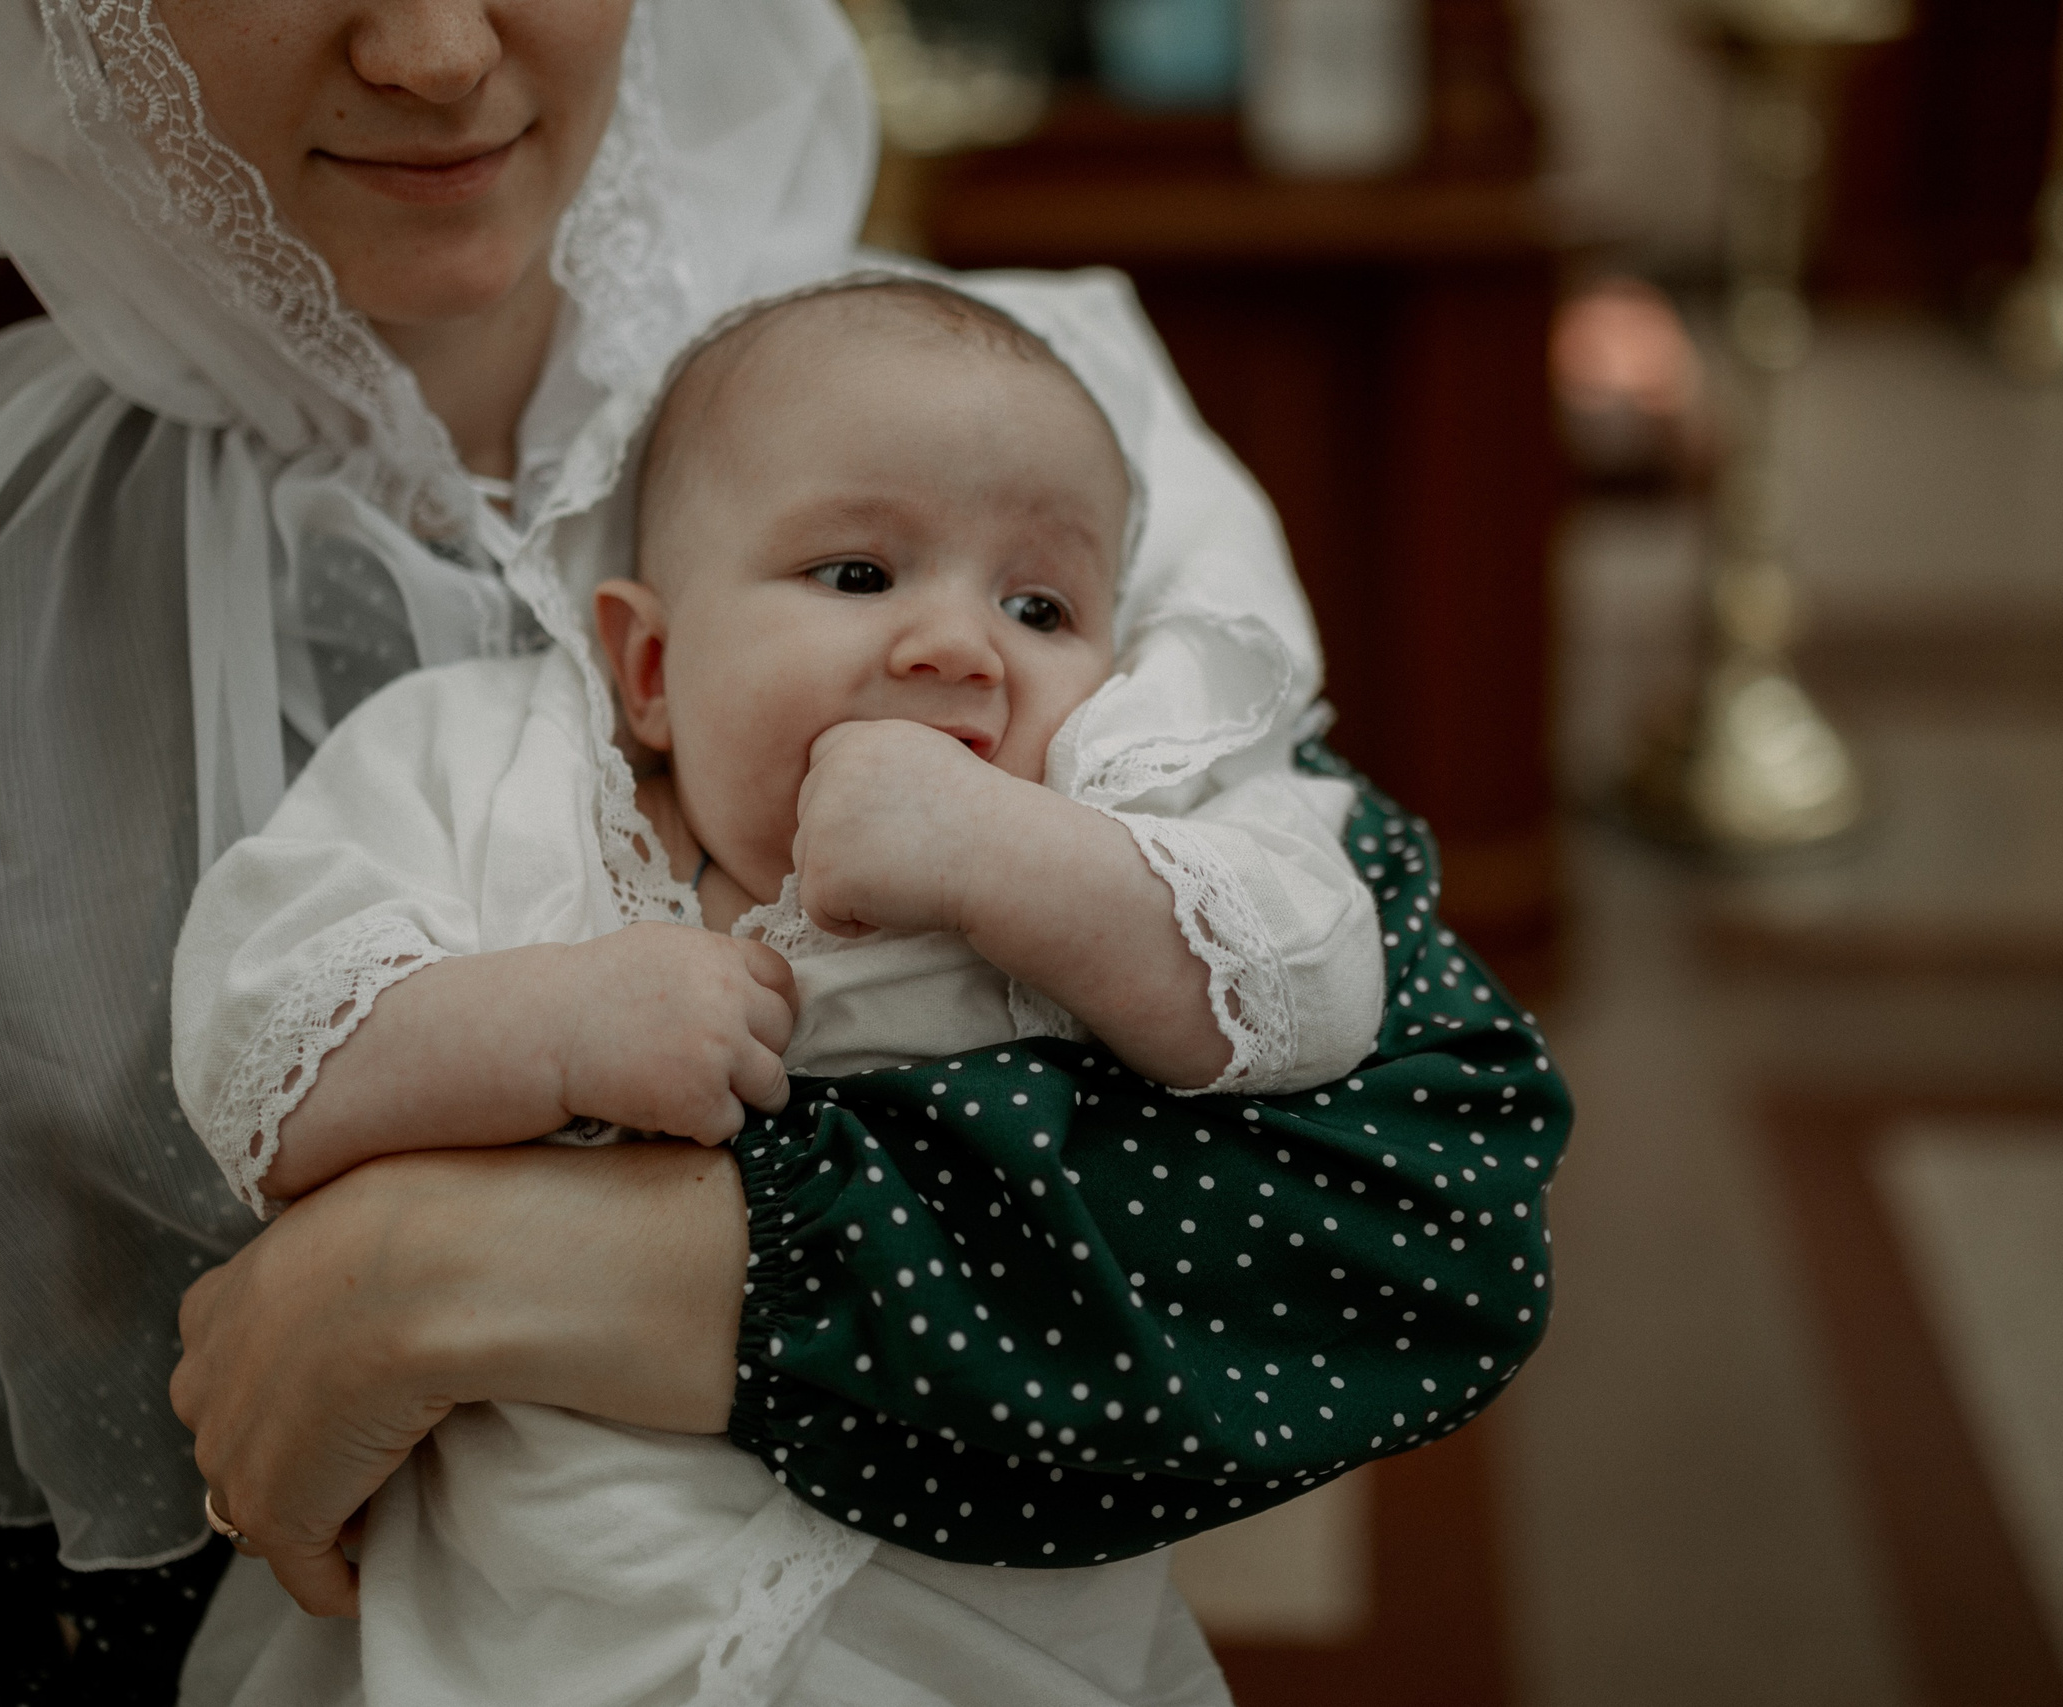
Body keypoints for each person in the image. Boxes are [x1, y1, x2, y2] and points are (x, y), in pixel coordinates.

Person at [0, 3, 1567, 1699]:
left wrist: (481, 1273)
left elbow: (1412, 1216)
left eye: (1034, 609)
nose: (430, 48)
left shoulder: (980, 417)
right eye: (850, 579)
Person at [167, 274, 1387, 1704]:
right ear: (651, 664)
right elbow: (260, 1052)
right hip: (505, 1629)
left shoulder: (1107, 815)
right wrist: (552, 1026)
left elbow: (1313, 987)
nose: (959, 644)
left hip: (955, 1637)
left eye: (1042, 604)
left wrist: (1017, 860)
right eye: (859, 574)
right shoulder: (479, 767)